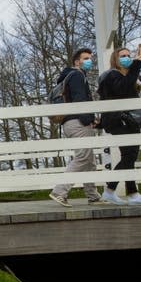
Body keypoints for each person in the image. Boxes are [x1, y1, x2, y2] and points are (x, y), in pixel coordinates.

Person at [97, 46, 141, 206]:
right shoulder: (112, 75)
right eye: (122, 55)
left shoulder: (123, 75)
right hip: (120, 120)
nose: (127, 57)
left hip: (125, 120)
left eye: (128, 55)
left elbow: (127, 94)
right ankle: (131, 194)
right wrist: (137, 63)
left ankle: (112, 192)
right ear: (115, 59)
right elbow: (121, 89)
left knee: (128, 156)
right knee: (129, 155)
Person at [48, 48, 104, 208]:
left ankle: (93, 196)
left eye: (90, 58)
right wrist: (90, 120)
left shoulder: (67, 77)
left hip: (69, 123)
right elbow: (80, 100)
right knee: (83, 158)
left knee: (90, 161)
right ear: (76, 61)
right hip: (78, 122)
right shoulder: (77, 75)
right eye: (85, 58)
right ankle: (60, 191)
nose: (89, 61)